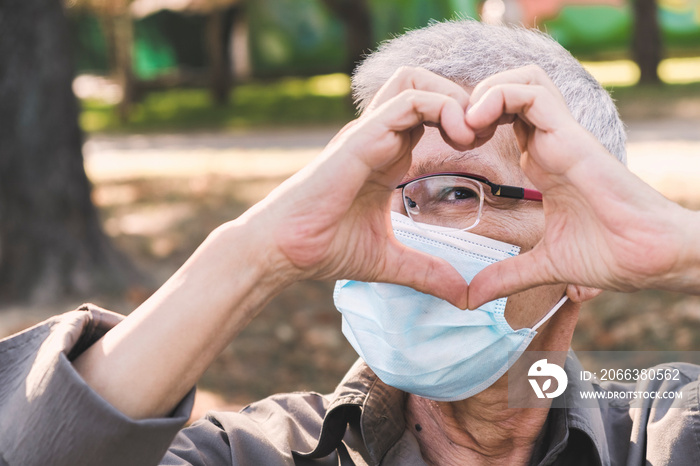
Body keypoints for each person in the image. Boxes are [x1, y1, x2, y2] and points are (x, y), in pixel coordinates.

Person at [1, 19, 699, 466]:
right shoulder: (258, 453)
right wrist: (253, 254)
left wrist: (684, 248)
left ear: (589, 235)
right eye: (378, 188)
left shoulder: (665, 433)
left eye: (458, 191)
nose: (397, 229)